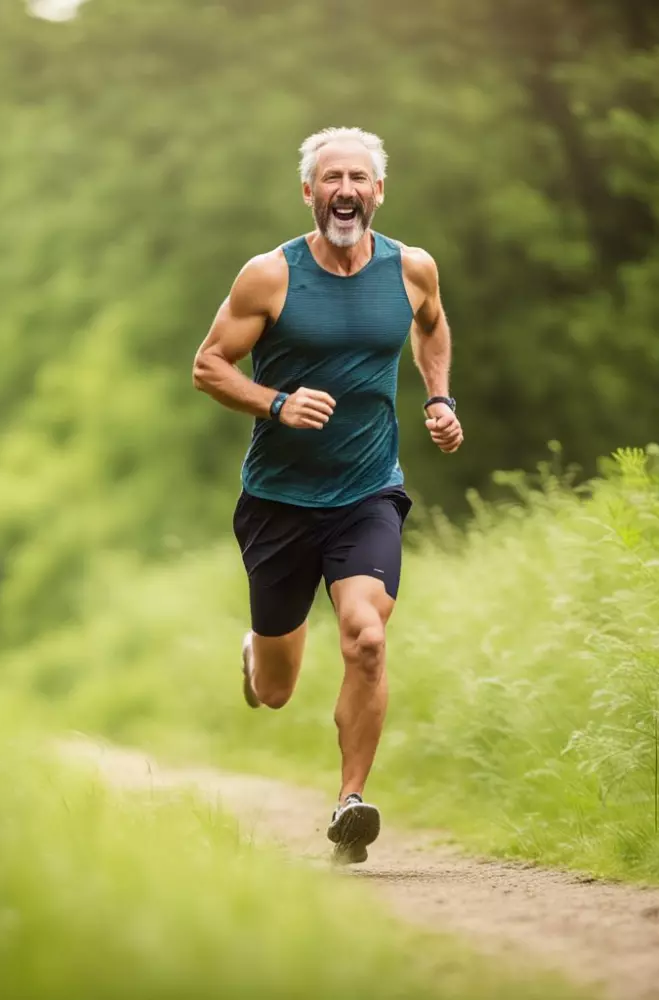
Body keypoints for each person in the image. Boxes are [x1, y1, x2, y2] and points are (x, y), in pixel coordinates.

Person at [191, 126, 462, 864]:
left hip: (368, 493)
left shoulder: (412, 269)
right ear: (309, 192)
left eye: (359, 178)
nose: (346, 190)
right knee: (275, 689)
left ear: (378, 190)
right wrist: (276, 403)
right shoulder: (269, 277)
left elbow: (432, 331)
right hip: (278, 499)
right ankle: (257, 652)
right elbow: (209, 366)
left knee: (367, 638)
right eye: (331, 178)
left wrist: (440, 399)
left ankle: (350, 803)